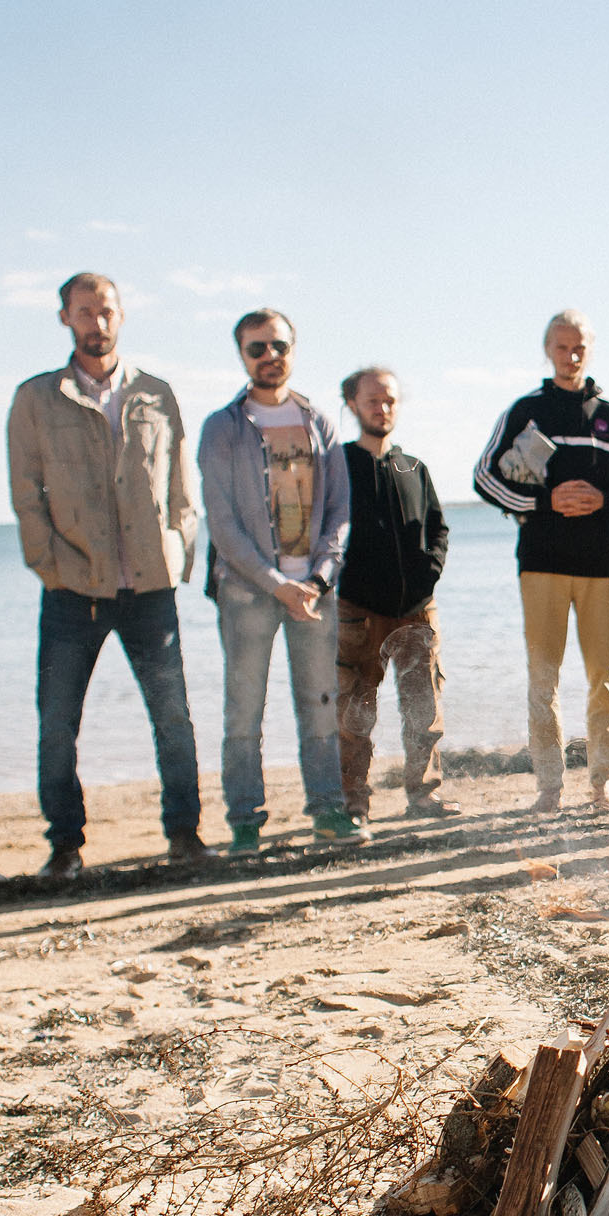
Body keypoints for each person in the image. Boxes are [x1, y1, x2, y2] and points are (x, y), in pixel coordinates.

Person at [8, 272, 206, 878]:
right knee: (58, 725)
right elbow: (25, 495)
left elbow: (178, 490)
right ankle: (64, 847)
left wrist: (180, 553)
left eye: (107, 310)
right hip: (74, 590)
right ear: (65, 317)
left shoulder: (156, 393)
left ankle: (185, 836)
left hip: (151, 588)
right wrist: (50, 567)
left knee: (172, 717)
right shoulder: (37, 398)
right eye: (85, 311)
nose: (98, 322)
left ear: (122, 315)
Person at [198, 308, 357, 852]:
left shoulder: (320, 422)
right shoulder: (222, 427)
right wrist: (275, 584)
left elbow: (340, 510)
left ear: (294, 349)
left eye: (279, 347)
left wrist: (316, 578)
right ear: (241, 354)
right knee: (243, 708)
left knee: (319, 703)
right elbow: (221, 523)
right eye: (257, 348)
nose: (270, 357)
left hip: (313, 592)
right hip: (247, 593)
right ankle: (245, 821)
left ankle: (328, 812)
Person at [473, 309, 609, 812]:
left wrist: (602, 502)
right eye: (562, 346)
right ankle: (549, 786)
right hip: (541, 563)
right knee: (543, 678)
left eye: (580, 347)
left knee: (602, 679)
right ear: (548, 349)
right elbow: (485, 478)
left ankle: (601, 782)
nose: (571, 355)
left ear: (589, 349)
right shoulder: (527, 409)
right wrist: (544, 503)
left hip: (600, 566)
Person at [332, 366, 454, 820]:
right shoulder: (339, 464)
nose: (382, 408)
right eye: (372, 400)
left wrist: (431, 572)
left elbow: (439, 528)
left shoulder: (412, 467)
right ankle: (354, 803)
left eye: (390, 400)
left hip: (417, 609)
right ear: (352, 404)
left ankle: (424, 796)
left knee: (424, 709)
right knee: (354, 711)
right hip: (357, 610)